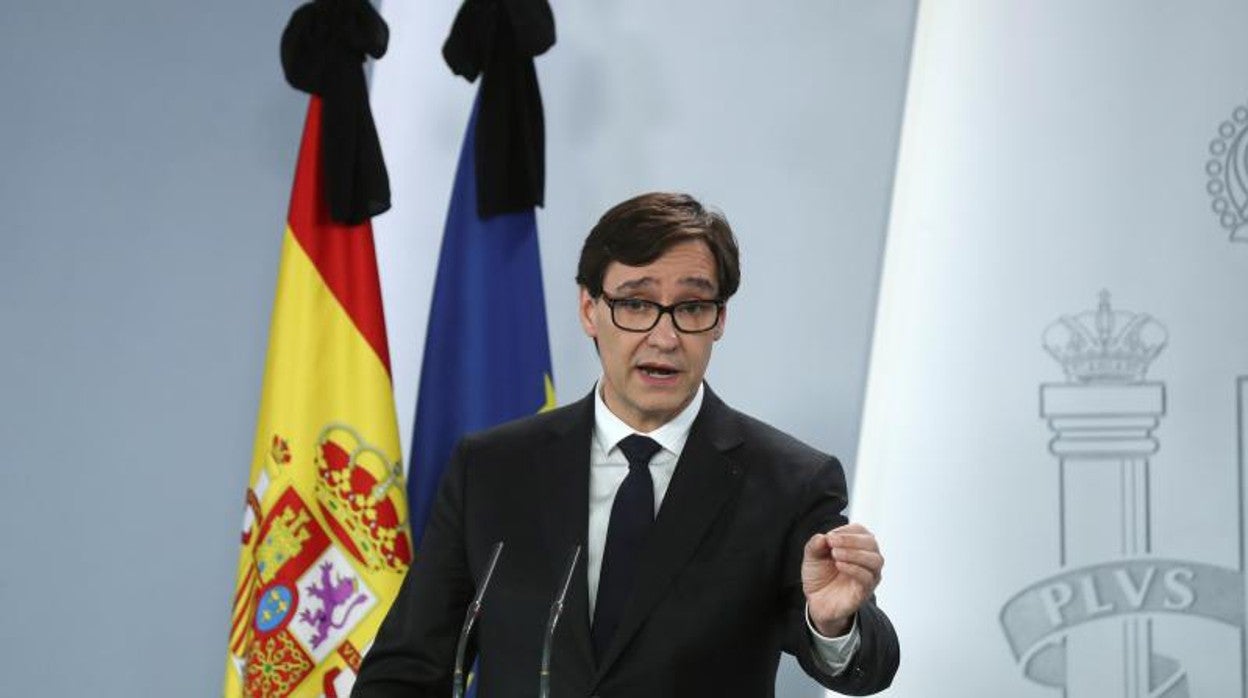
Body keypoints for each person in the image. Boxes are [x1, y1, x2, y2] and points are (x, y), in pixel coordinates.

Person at [353, 192, 899, 697]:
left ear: (719, 321)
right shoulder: (494, 469)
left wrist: (833, 625)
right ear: (590, 310)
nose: (665, 337)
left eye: (692, 307)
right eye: (636, 304)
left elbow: (868, 667)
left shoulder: (790, 482)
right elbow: (405, 671)